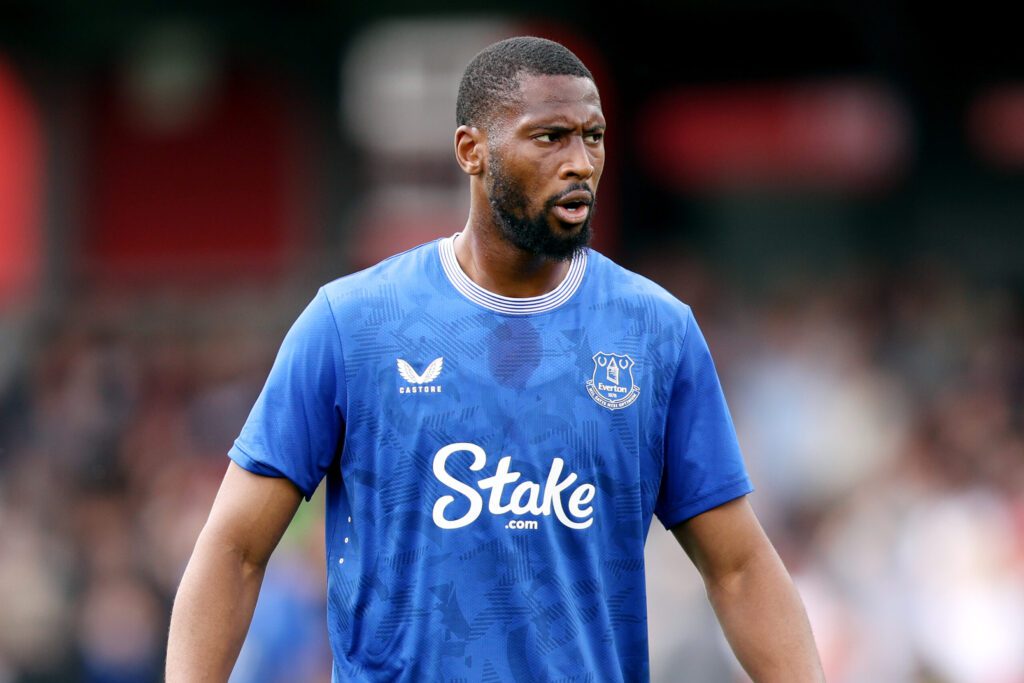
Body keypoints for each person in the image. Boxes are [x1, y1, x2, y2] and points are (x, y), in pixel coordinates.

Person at [166, 35, 825, 682]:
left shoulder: (656, 333)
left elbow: (739, 567)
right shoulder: (352, 324)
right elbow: (234, 550)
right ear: (471, 151)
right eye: (550, 137)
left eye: (592, 137)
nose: (579, 162)